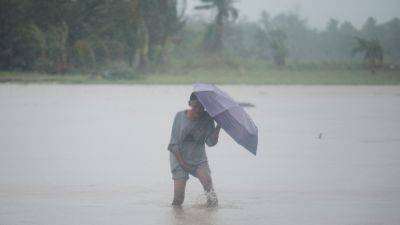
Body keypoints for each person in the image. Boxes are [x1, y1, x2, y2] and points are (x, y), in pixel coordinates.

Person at [167, 93, 221, 207]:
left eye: (201, 107)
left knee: (211, 194)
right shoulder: (180, 116)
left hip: (198, 159)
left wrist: (219, 126)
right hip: (178, 157)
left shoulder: (207, 119)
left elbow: (210, 143)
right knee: (178, 200)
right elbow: (173, 144)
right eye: (195, 106)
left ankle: (210, 217)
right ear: (189, 104)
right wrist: (183, 163)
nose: (198, 110)